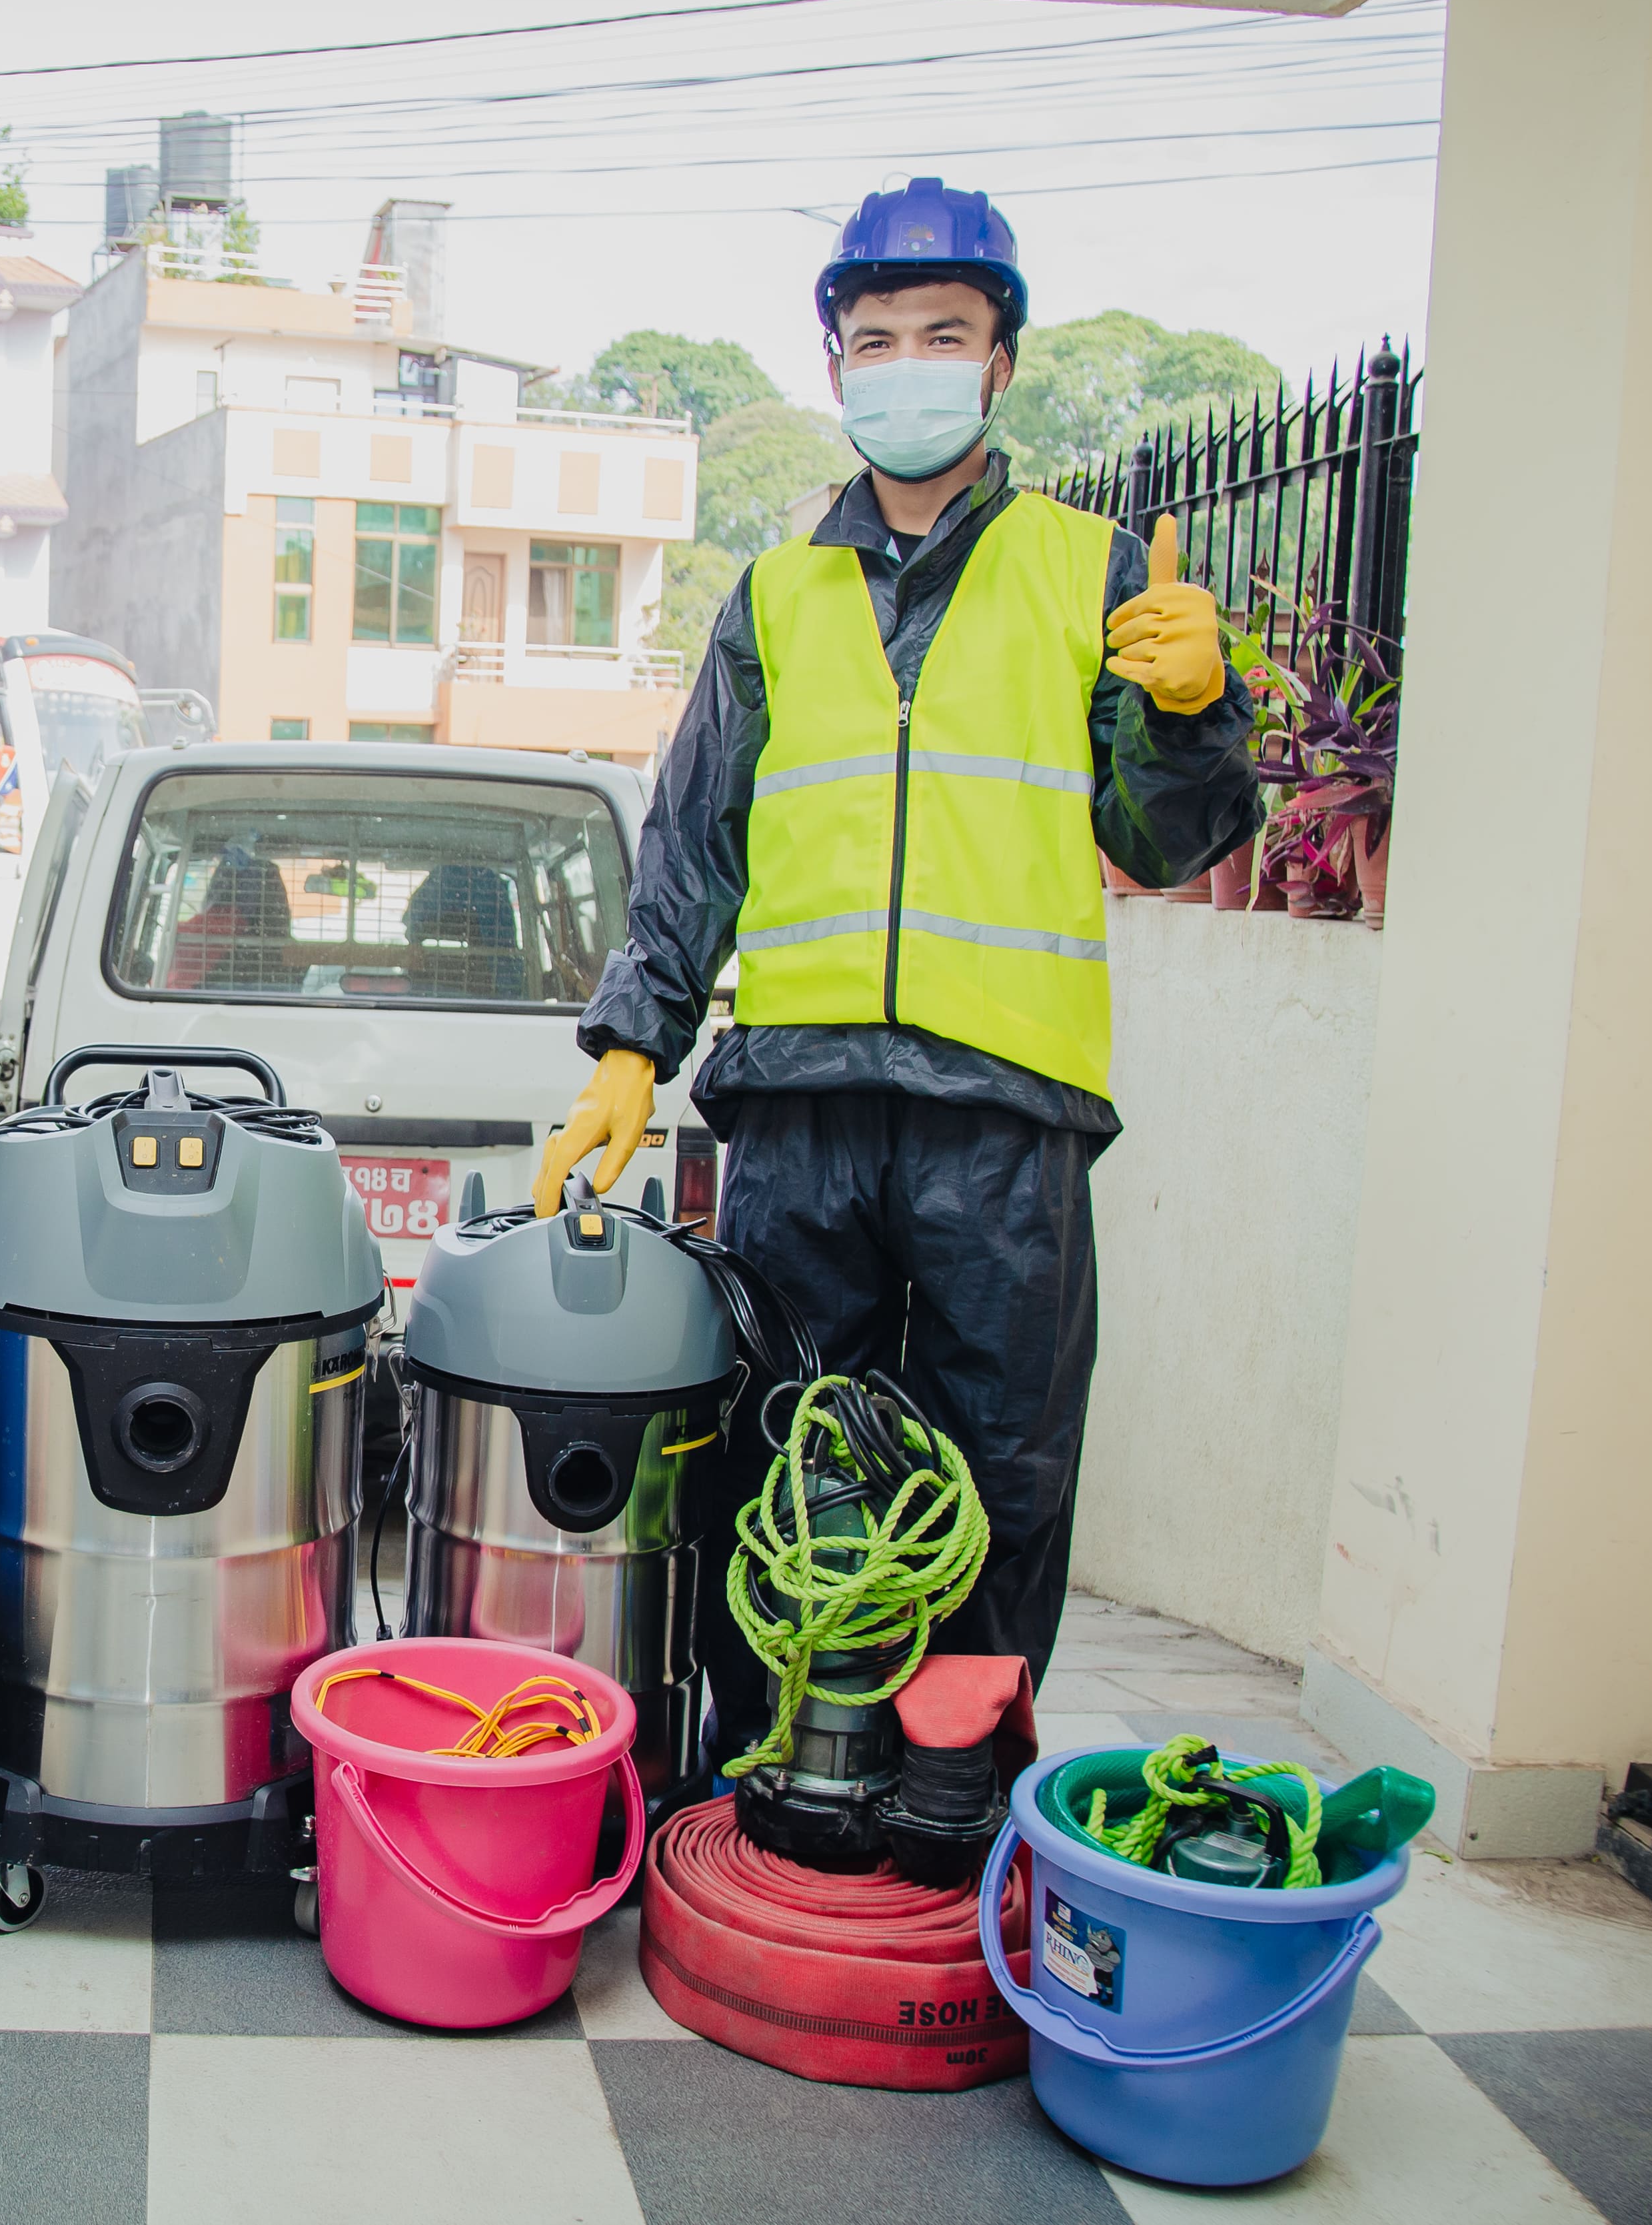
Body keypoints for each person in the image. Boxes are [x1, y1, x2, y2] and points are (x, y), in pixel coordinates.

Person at [530, 178, 1260, 1749]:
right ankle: (780, 1775)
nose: (907, 365)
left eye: (944, 333)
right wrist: (632, 1046)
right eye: (876, 340)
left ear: (1001, 361)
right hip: (800, 1110)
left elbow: (1162, 838)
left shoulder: (1091, 569)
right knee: (789, 1465)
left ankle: (953, 1792)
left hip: (1004, 1114)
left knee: (999, 1477)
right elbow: (696, 841)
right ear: (835, 365)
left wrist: (1193, 709)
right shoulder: (775, 597)